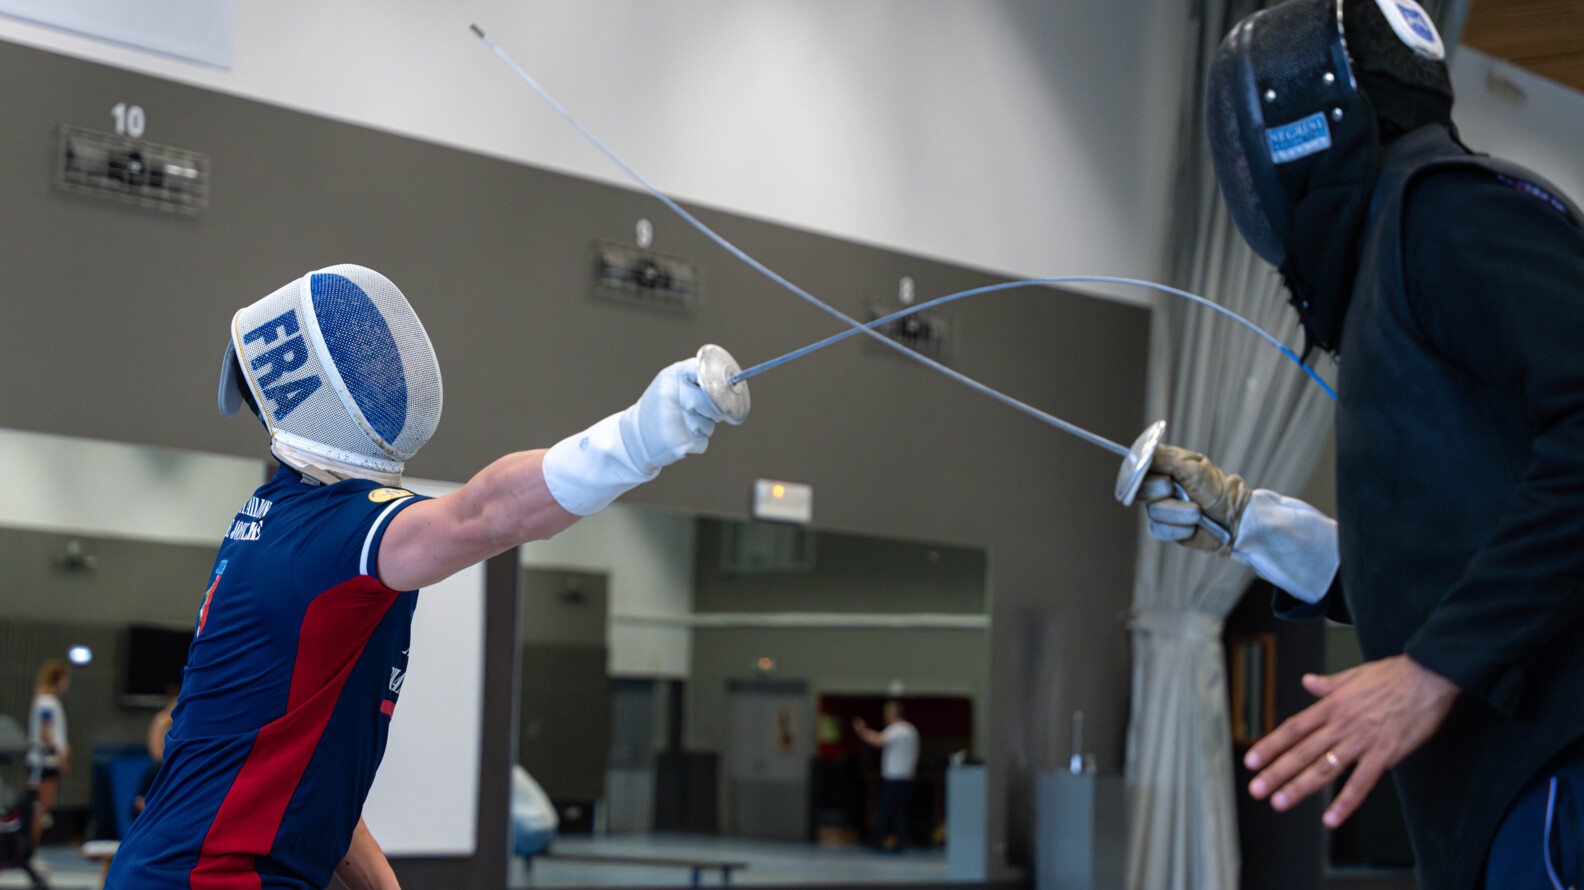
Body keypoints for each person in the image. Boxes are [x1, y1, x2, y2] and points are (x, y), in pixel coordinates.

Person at [106, 264, 747, 889]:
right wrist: (635, 441)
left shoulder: (285, 524)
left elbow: (310, 787)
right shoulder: (326, 536)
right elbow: (487, 514)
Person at [1139, 1, 1584, 887]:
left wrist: (1428, 671)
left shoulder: (1451, 212)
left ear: (1306, 126)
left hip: (1555, 778)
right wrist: (1254, 527)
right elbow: (1456, 549)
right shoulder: (1392, 263)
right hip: (1498, 798)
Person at [852, 701, 919, 852]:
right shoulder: (911, 730)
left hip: (894, 777)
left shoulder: (896, 729)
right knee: (901, 812)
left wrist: (862, 731)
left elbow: (878, 740)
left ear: (894, 714)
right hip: (907, 776)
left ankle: (878, 839)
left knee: (885, 810)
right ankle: (899, 841)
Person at [26, 659, 70, 855]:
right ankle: (30, 850)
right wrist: (60, 754)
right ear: (58, 679)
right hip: (44, 760)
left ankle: (31, 848)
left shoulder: (48, 701)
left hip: (46, 759)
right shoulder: (46, 702)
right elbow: (45, 731)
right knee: (41, 807)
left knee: (43, 807)